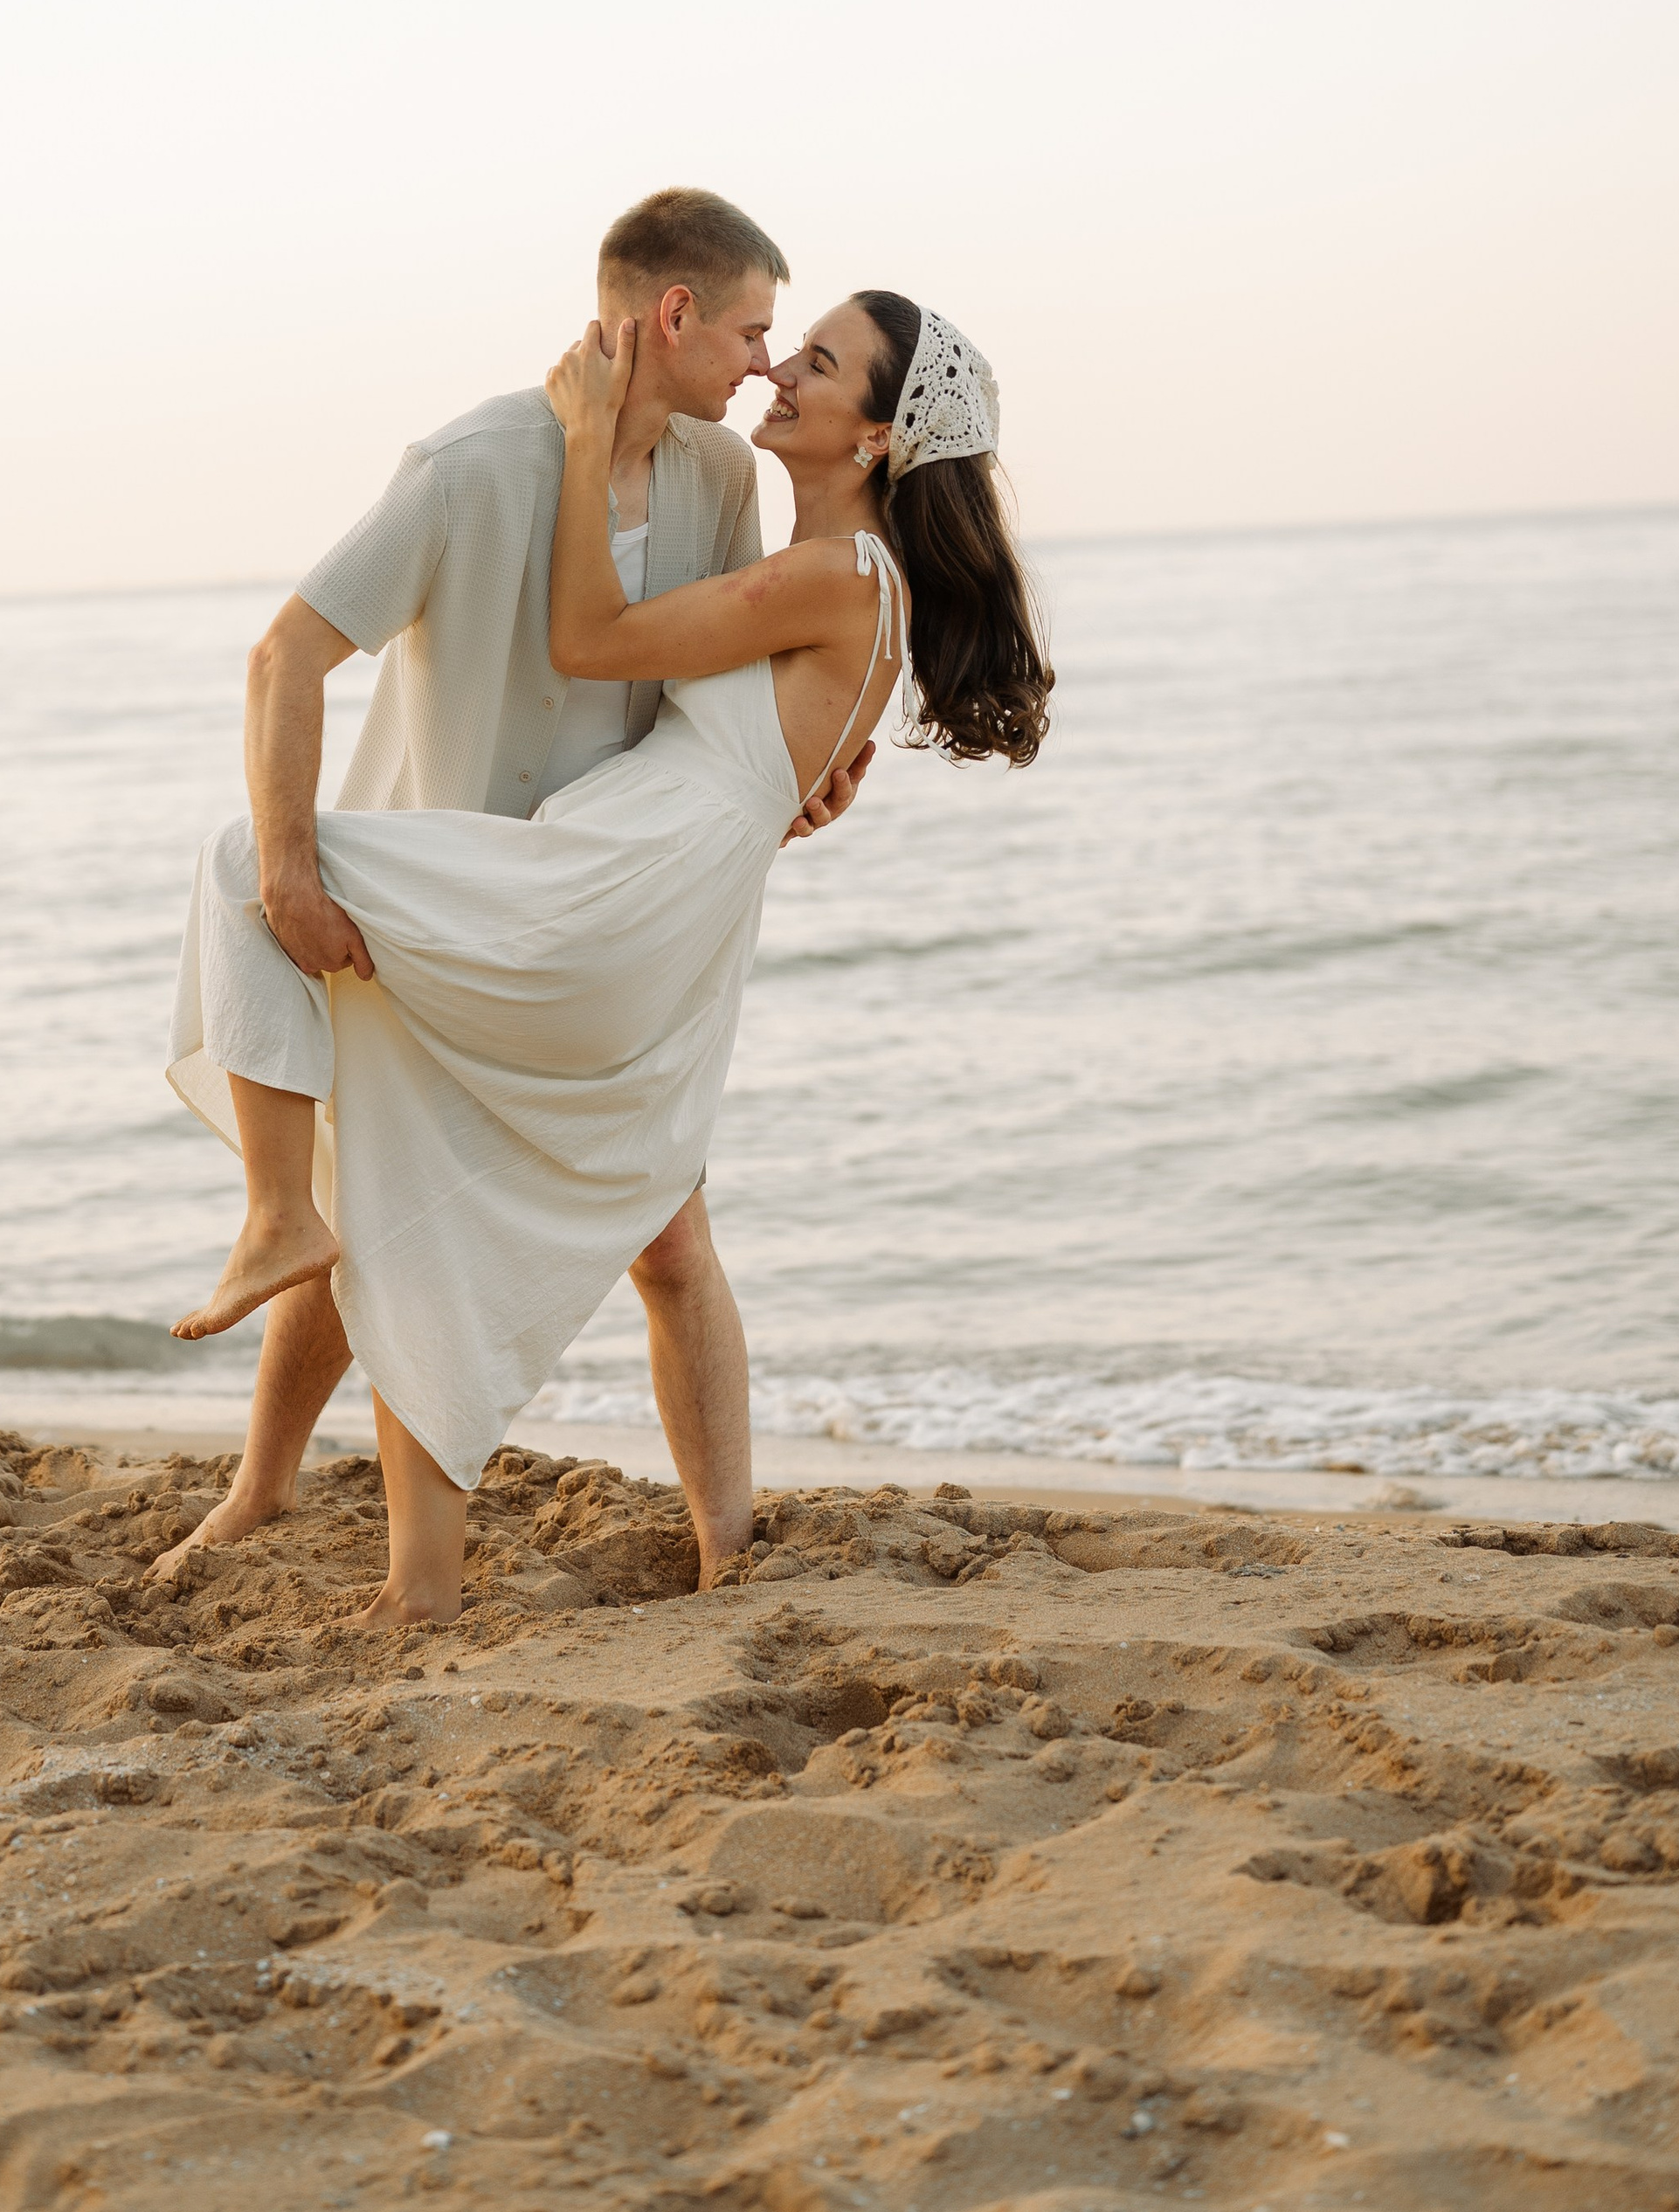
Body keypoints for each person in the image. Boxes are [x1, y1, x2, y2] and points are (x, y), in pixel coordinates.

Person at [157, 280, 1052, 1624]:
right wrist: (801, 783)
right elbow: (759, 746)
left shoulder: (836, 572)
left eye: (815, 362)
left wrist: (579, 439)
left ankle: (282, 1217)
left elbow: (590, 643)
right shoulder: (841, 575)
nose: (779, 374)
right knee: (508, 1185)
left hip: (604, 902)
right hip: (663, 922)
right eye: (779, 346)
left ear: (876, 438)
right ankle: (600, 1559)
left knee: (253, 866)